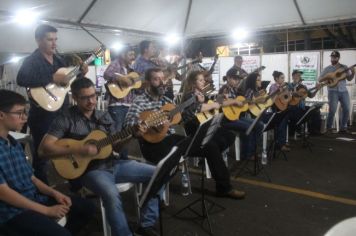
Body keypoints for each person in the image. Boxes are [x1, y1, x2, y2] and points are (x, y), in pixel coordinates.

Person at [38, 78, 160, 236]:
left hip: (114, 163)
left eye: (93, 96)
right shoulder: (65, 118)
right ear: (74, 97)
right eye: (85, 98)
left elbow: (115, 146)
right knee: (111, 195)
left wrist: (132, 135)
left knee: (158, 172)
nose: (91, 101)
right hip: (91, 171)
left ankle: (146, 223)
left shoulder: (104, 115)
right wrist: (80, 149)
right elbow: (43, 149)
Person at [124, 68, 245, 199]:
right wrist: (142, 126)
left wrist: (196, 104)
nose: (162, 82)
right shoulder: (140, 101)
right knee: (178, 152)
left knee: (210, 146)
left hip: (172, 139)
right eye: (156, 79)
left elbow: (182, 118)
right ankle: (155, 195)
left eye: (163, 78)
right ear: (147, 82)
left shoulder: (166, 101)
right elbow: (128, 124)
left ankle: (224, 188)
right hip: (153, 145)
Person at [0, 90, 94, 236]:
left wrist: (55, 193)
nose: (25, 118)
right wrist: (46, 210)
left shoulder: (13, 143)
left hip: (33, 199)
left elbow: (32, 178)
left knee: (87, 208)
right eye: (19, 113)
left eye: (25, 112)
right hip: (10, 212)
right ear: (1, 115)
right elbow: (4, 193)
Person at [16, 24, 88, 184]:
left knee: (69, 147)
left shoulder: (60, 60)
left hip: (62, 111)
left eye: (56, 39)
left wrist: (80, 73)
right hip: (42, 114)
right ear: (38, 40)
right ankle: (43, 191)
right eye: (50, 40)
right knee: (43, 154)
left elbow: (64, 83)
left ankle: (75, 183)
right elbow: (21, 79)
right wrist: (51, 78)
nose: (54, 43)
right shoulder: (32, 60)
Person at [181, 71, 246, 199]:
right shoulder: (190, 95)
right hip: (194, 131)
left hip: (204, 127)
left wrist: (222, 98)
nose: (203, 82)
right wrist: (212, 104)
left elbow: (213, 103)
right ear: (193, 83)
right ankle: (224, 187)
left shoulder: (201, 93)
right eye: (200, 80)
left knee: (229, 136)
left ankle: (214, 161)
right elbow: (198, 109)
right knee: (212, 148)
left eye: (203, 80)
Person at [219, 69, 262, 160]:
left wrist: (247, 102)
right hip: (226, 120)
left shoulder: (236, 90)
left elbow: (242, 102)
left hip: (236, 117)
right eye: (235, 79)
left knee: (258, 124)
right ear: (228, 78)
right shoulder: (224, 89)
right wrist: (235, 101)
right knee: (248, 127)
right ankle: (246, 154)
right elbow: (220, 102)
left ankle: (252, 150)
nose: (237, 81)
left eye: (238, 79)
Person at [319, 50, 355, 134]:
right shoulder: (327, 69)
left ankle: (343, 127)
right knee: (332, 110)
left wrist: (353, 72)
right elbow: (320, 79)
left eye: (335, 57)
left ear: (338, 58)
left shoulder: (344, 67)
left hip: (343, 91)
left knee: (346, 108)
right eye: (332, 57)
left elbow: (349, 78)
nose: (333, 58)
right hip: (332, 91)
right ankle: (329, 127)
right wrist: (328, 76)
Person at [104, 45, 136, 131]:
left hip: (128, 105)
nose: (133, 57)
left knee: (126, 133)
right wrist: (121, 78)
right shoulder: (116, 63)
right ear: (123, 55)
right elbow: (107, 74)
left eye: (134, 55)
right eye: (131, 54)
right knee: (117, 133)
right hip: (117, 105)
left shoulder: (131, 69)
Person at [288, 70, 321, 136]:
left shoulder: (303, 87)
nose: (299, 77)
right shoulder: (289, 85)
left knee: (315, 110)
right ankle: (297, 130)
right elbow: (290, 95)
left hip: (302, 107)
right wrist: (296, 92)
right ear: (293, 76)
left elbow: (311, 95)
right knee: (296, 111)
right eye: (297, 75)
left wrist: (317, 89)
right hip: (292, 108)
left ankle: (313, 131)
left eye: (300, 75)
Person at [268, 71, 289, 151]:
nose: (284, 79)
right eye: (282, 78)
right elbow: (272, 99)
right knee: (280, 125)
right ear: (276, 79)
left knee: (283, 125)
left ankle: (282, 142)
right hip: (276, 108)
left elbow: (285, 98)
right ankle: (280, 144)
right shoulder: (273, 87)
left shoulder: (283, 87)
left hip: (283, 107)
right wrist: (279, 91)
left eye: (284, 78)